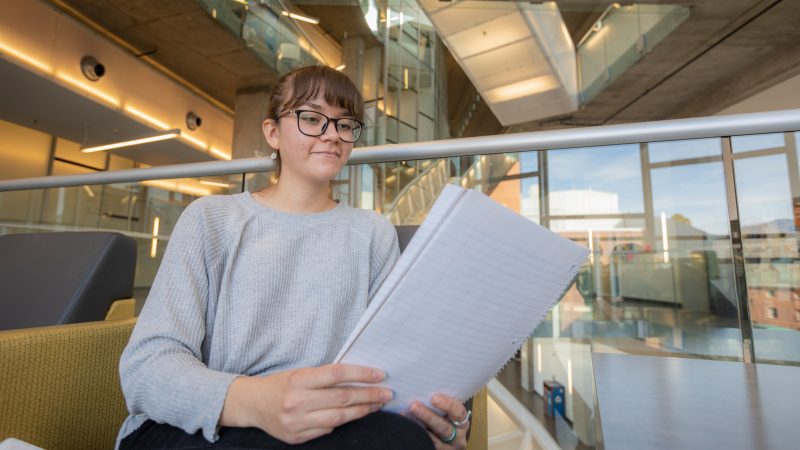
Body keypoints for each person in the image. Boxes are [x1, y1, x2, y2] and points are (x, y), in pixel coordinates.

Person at [116, 66, 471, 450]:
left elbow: (391, 363)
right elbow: (148, 368)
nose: (332, 135)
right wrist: (259, 402)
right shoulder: (212, 220)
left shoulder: (373, 233)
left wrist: (431, 419)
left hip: (324, 424)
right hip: (203, 422)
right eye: (312, 119)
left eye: (345, 124)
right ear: (273, 133)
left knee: (403, 439)